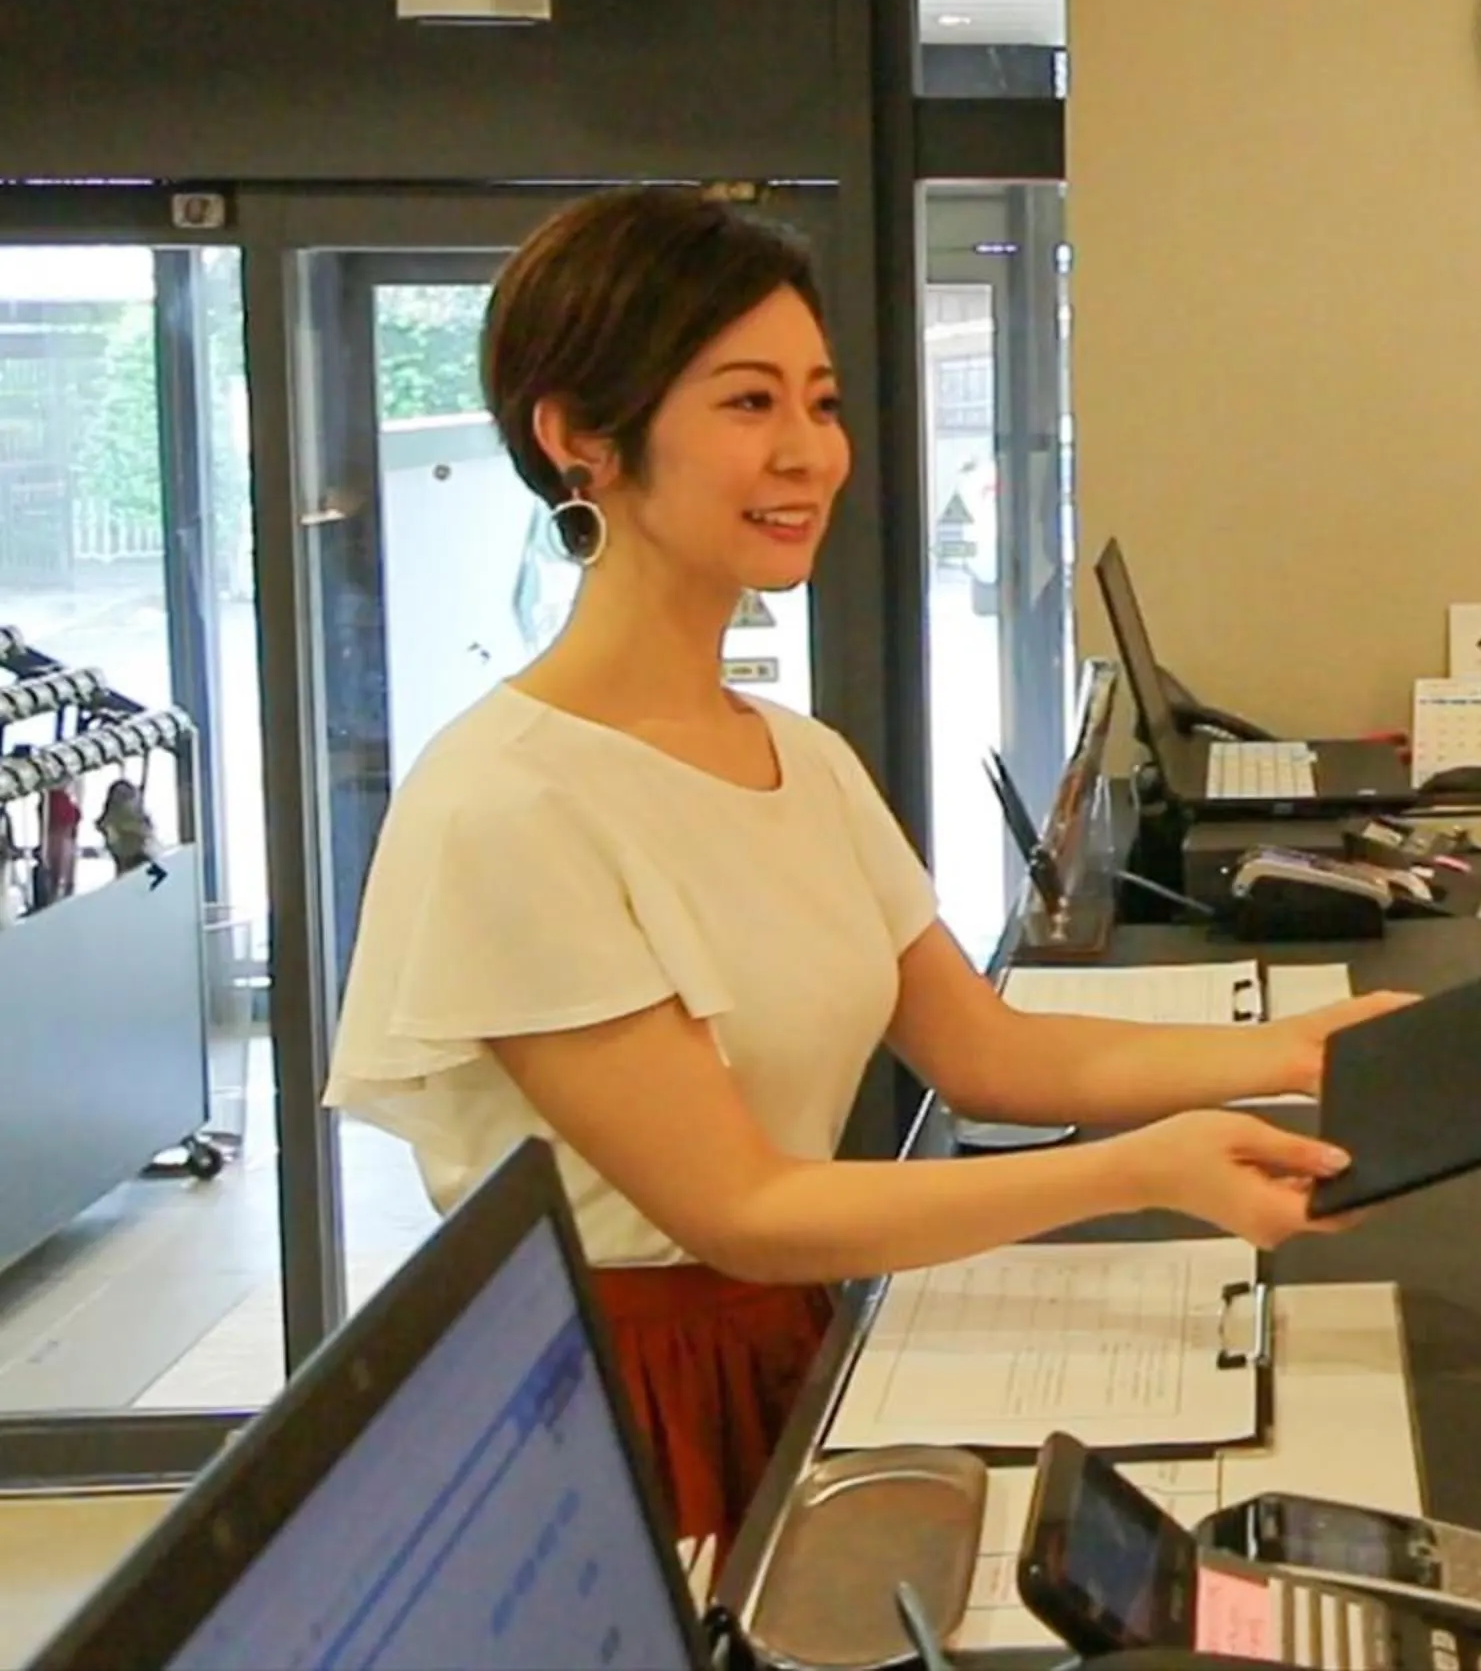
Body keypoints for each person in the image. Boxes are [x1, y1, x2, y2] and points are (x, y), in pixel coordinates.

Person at [327, 187, 1403, 1550]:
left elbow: (991, 1053)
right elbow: (744, 1206)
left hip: (794, 1333)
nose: (809, 454)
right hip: (623, 1409)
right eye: (746, 403)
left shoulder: (797, 754)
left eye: (820, 403)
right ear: (579, 436)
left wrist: (1300, 1047)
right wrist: (1143, 1169)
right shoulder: (507, 804)